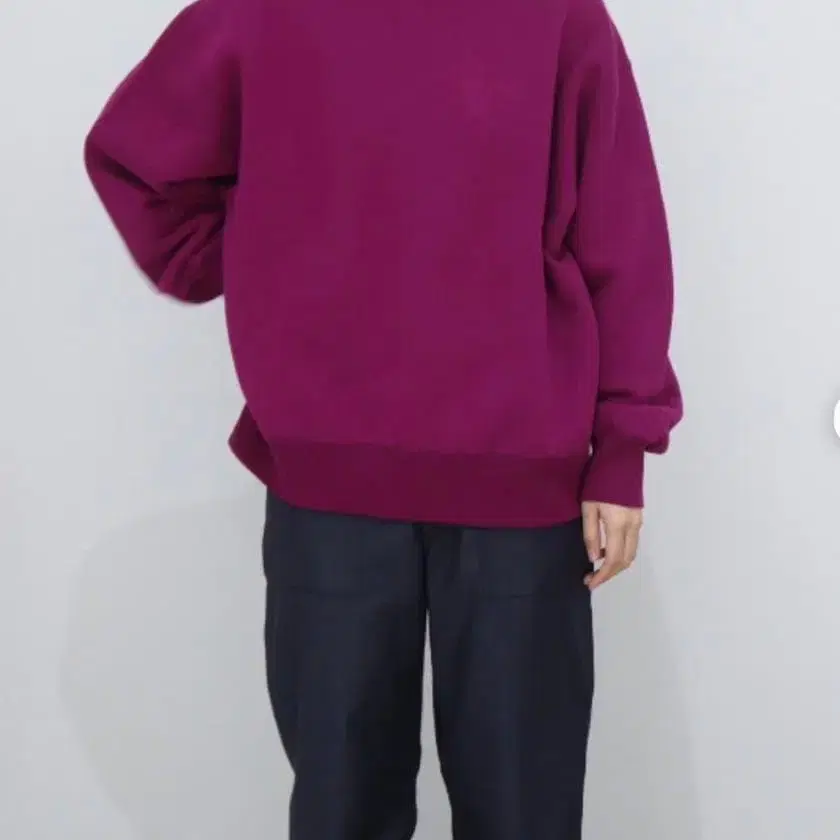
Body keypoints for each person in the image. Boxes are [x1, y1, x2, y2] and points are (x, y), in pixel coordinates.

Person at [84, 0, 682, 835]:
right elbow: (135, 156)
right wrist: (264, 259)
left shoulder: (558, 16)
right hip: (332, 490)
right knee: (343, 811)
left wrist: (624, 445)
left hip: (519, 483)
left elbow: (621, 229)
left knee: (524, 814)